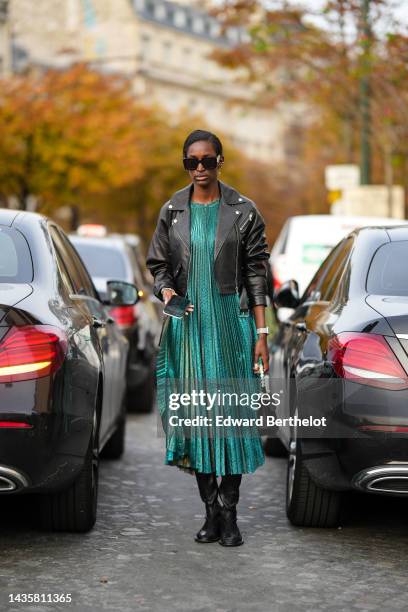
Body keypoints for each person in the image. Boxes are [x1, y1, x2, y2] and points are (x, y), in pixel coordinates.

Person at [146, 129, 270, 547]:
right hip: (188, 329)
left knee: (231, 419)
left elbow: (256, 273)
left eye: (206, 160)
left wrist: (262, 332)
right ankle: (210, 511)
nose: (199, 168)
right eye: (191, 162)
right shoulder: (172, 210)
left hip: (231, 327)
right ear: (185, 165)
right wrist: (168, 293)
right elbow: (158, 263)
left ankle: (230, 513)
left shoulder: (244, 211)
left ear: (220, 162)